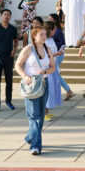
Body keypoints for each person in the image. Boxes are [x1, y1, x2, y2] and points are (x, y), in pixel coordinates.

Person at [16, 25, 55, 155]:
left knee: (41, 116)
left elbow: (53, 67)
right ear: (34, 36)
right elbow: (18, 65)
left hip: (44, 83)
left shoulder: (47, 49)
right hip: (31, 84)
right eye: (41, 34)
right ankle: (35, 146)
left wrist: (45, 71)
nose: (44, 36)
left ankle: (30, 137)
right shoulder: (28, 49)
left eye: (45, 34)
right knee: (34, 116)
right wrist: (25, 76)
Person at [46, 13, 74, 101]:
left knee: (55, 73)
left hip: (57, 54)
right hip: (53, 54)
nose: (48, 20)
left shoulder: (57, 30)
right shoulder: (49, 31)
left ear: (54, 20)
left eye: (50, 19)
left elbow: (62, 42)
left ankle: (68, 90)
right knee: (55, 73)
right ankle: (67, 90)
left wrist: (52, 43)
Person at [43, 21, 63, 121]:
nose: (55, 30)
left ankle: (47, 111)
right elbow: (45, 55)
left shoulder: (51, 39)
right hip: (48, 68)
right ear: (49, 29)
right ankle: (44, 112)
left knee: (53, 90)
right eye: (53, 29)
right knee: (48, 90)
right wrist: (57, 54)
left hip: (54, 66)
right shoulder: (44, 41)